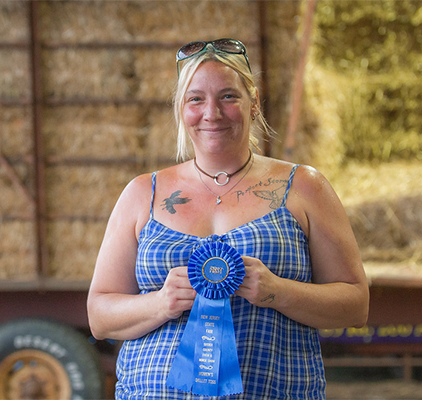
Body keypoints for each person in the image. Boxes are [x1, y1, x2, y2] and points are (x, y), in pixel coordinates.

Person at [87, 38, 369, 399]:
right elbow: (99, 316)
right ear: (181, 110)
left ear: (253, 104)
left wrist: (276, 291)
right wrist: (162, 302)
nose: (212, 113)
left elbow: (355, 305)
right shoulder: (143, 193)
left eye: (228, 97)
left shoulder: (304, 187)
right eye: (196, 99)